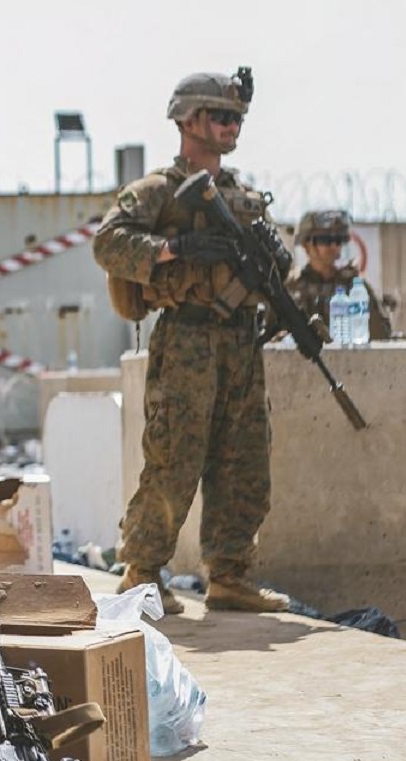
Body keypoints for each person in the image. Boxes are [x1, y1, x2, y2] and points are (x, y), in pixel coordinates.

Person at [93, 69, 290, 615]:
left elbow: (279, 269)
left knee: (245, 461)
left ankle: (230, 575)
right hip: (188, 339)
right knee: (174, 458)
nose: (232, 127)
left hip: (242, 342)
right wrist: (174, 249)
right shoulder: (159, 190)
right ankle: (142, 573)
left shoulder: (244, 196)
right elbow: (108, 242)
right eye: (222, 117)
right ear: (189, 119)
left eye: (237, 119)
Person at [286, 209, 392, 340]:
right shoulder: (291, 287)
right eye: (325, 240)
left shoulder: (354, 287)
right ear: (306, 245)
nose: (334, 246)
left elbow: (380, 334)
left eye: (339, 240)